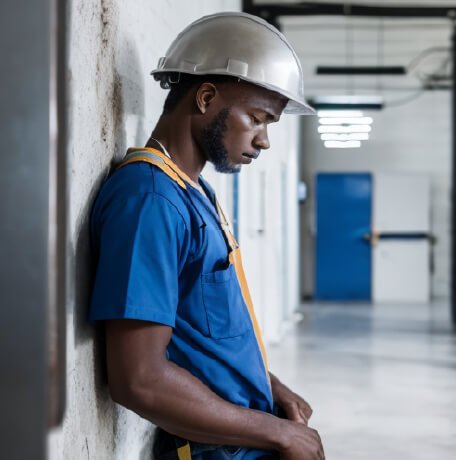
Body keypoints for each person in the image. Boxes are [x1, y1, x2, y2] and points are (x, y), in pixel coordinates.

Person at [88, 13, 323, 460]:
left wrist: (269, 388)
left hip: (241, 440)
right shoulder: (150, 199)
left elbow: (204, 334)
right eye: (257, 118)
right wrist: (278, 434)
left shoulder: (193, 191)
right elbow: (139, 379)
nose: (264, 140)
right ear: (207, 97)